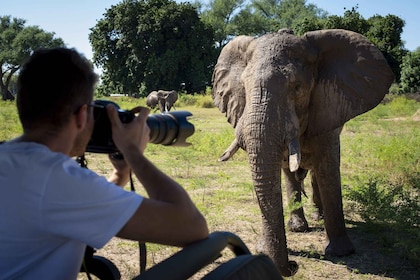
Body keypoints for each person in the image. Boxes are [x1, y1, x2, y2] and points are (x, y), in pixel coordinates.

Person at [0, 48, 209, 279]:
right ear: (81, 116)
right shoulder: (55, 180)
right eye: (93, 111)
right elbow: (191, 227)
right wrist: (133, 152)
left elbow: (76, 206)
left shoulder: (13, 160)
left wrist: (121, 174)